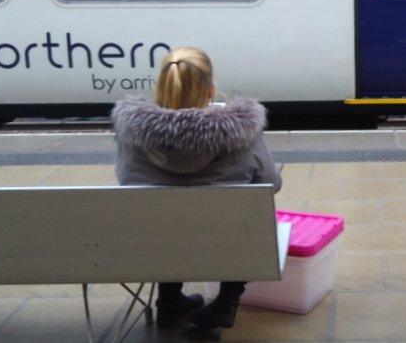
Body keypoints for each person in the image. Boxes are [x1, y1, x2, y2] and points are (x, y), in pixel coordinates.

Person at [111, 46, 282, 333]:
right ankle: (225, 303)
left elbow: (125, 178)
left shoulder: (131, 133)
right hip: (229, 245)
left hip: (154, 246)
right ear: (211, 89)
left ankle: (168, 302)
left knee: (161, 222)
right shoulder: (243, 130)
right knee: (248, 222)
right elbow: (272, 184)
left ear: (161, 87)